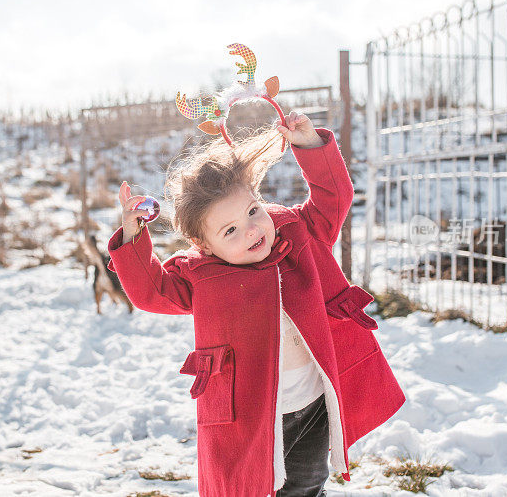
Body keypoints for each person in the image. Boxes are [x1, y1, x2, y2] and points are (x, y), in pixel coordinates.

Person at [107, 112, 406, 497]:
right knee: (250, 487)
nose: (251, 230)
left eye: (253, 211)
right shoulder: (203, 275)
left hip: (313, 400)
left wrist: (311, 145)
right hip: (250, 413)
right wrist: (133, 237)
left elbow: (334, 198)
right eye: (229, 230)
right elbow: (153, 292)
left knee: (308, 484)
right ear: (205, 245)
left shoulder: (299, 231)